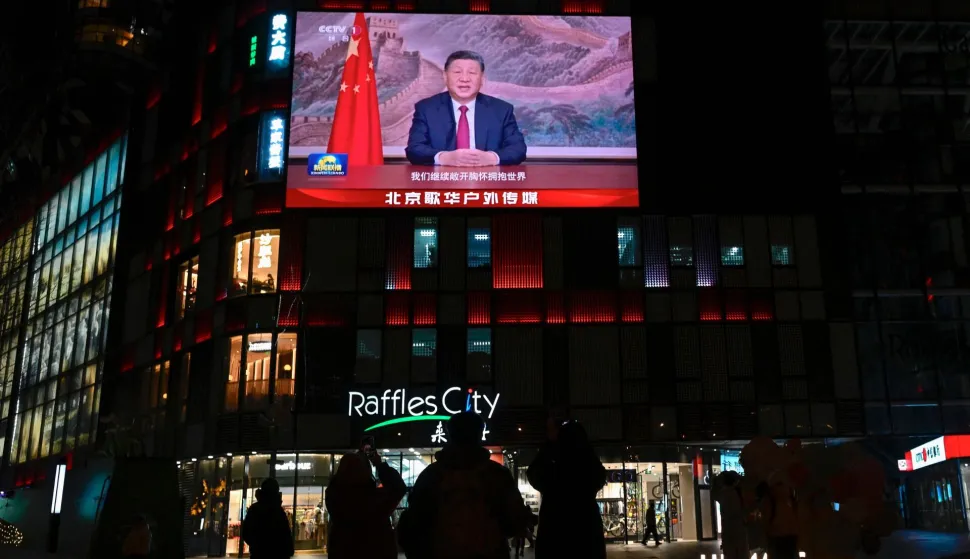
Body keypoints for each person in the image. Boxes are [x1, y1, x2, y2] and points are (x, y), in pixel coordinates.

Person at [399, 411, 527, 559]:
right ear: (480, 434)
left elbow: (414, 525)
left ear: (449, 434)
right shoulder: (497, 475)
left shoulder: (431, 475)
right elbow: (514, 522)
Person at [405, 50, 527, 167]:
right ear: (445, 76)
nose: (464, 78)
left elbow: (518, 149)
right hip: (442, 182)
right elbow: (414, 149)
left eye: (472, 73)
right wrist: (444, 158)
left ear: (482, 78)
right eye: (457, 72)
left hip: (488, 182)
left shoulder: (501, 110)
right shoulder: (426, 109)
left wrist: (491, 158)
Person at [527, 419, 607, 559]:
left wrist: (549, 445)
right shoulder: (587, 471)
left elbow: (533, 474)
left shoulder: (553, 472)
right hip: (587, 535)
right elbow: (600, 476)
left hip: (553, 536)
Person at [326, 450, 407, 559]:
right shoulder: (373, 499)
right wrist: (380, 464)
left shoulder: (335, 497)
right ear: (366, 471)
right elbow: (398, 488)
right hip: (376, 551)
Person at [242, 478, 294, 559]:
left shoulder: (255, 509)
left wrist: (256, 545)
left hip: (259, 554)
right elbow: (285, 534)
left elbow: (246, 532)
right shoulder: (278, 510)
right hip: (278, 554)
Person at [715, 471, 748, 559]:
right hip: (738, 530)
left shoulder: (723, 493)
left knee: (731, 554)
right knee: (740, 553)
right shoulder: (735, 493)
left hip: (728, 530)